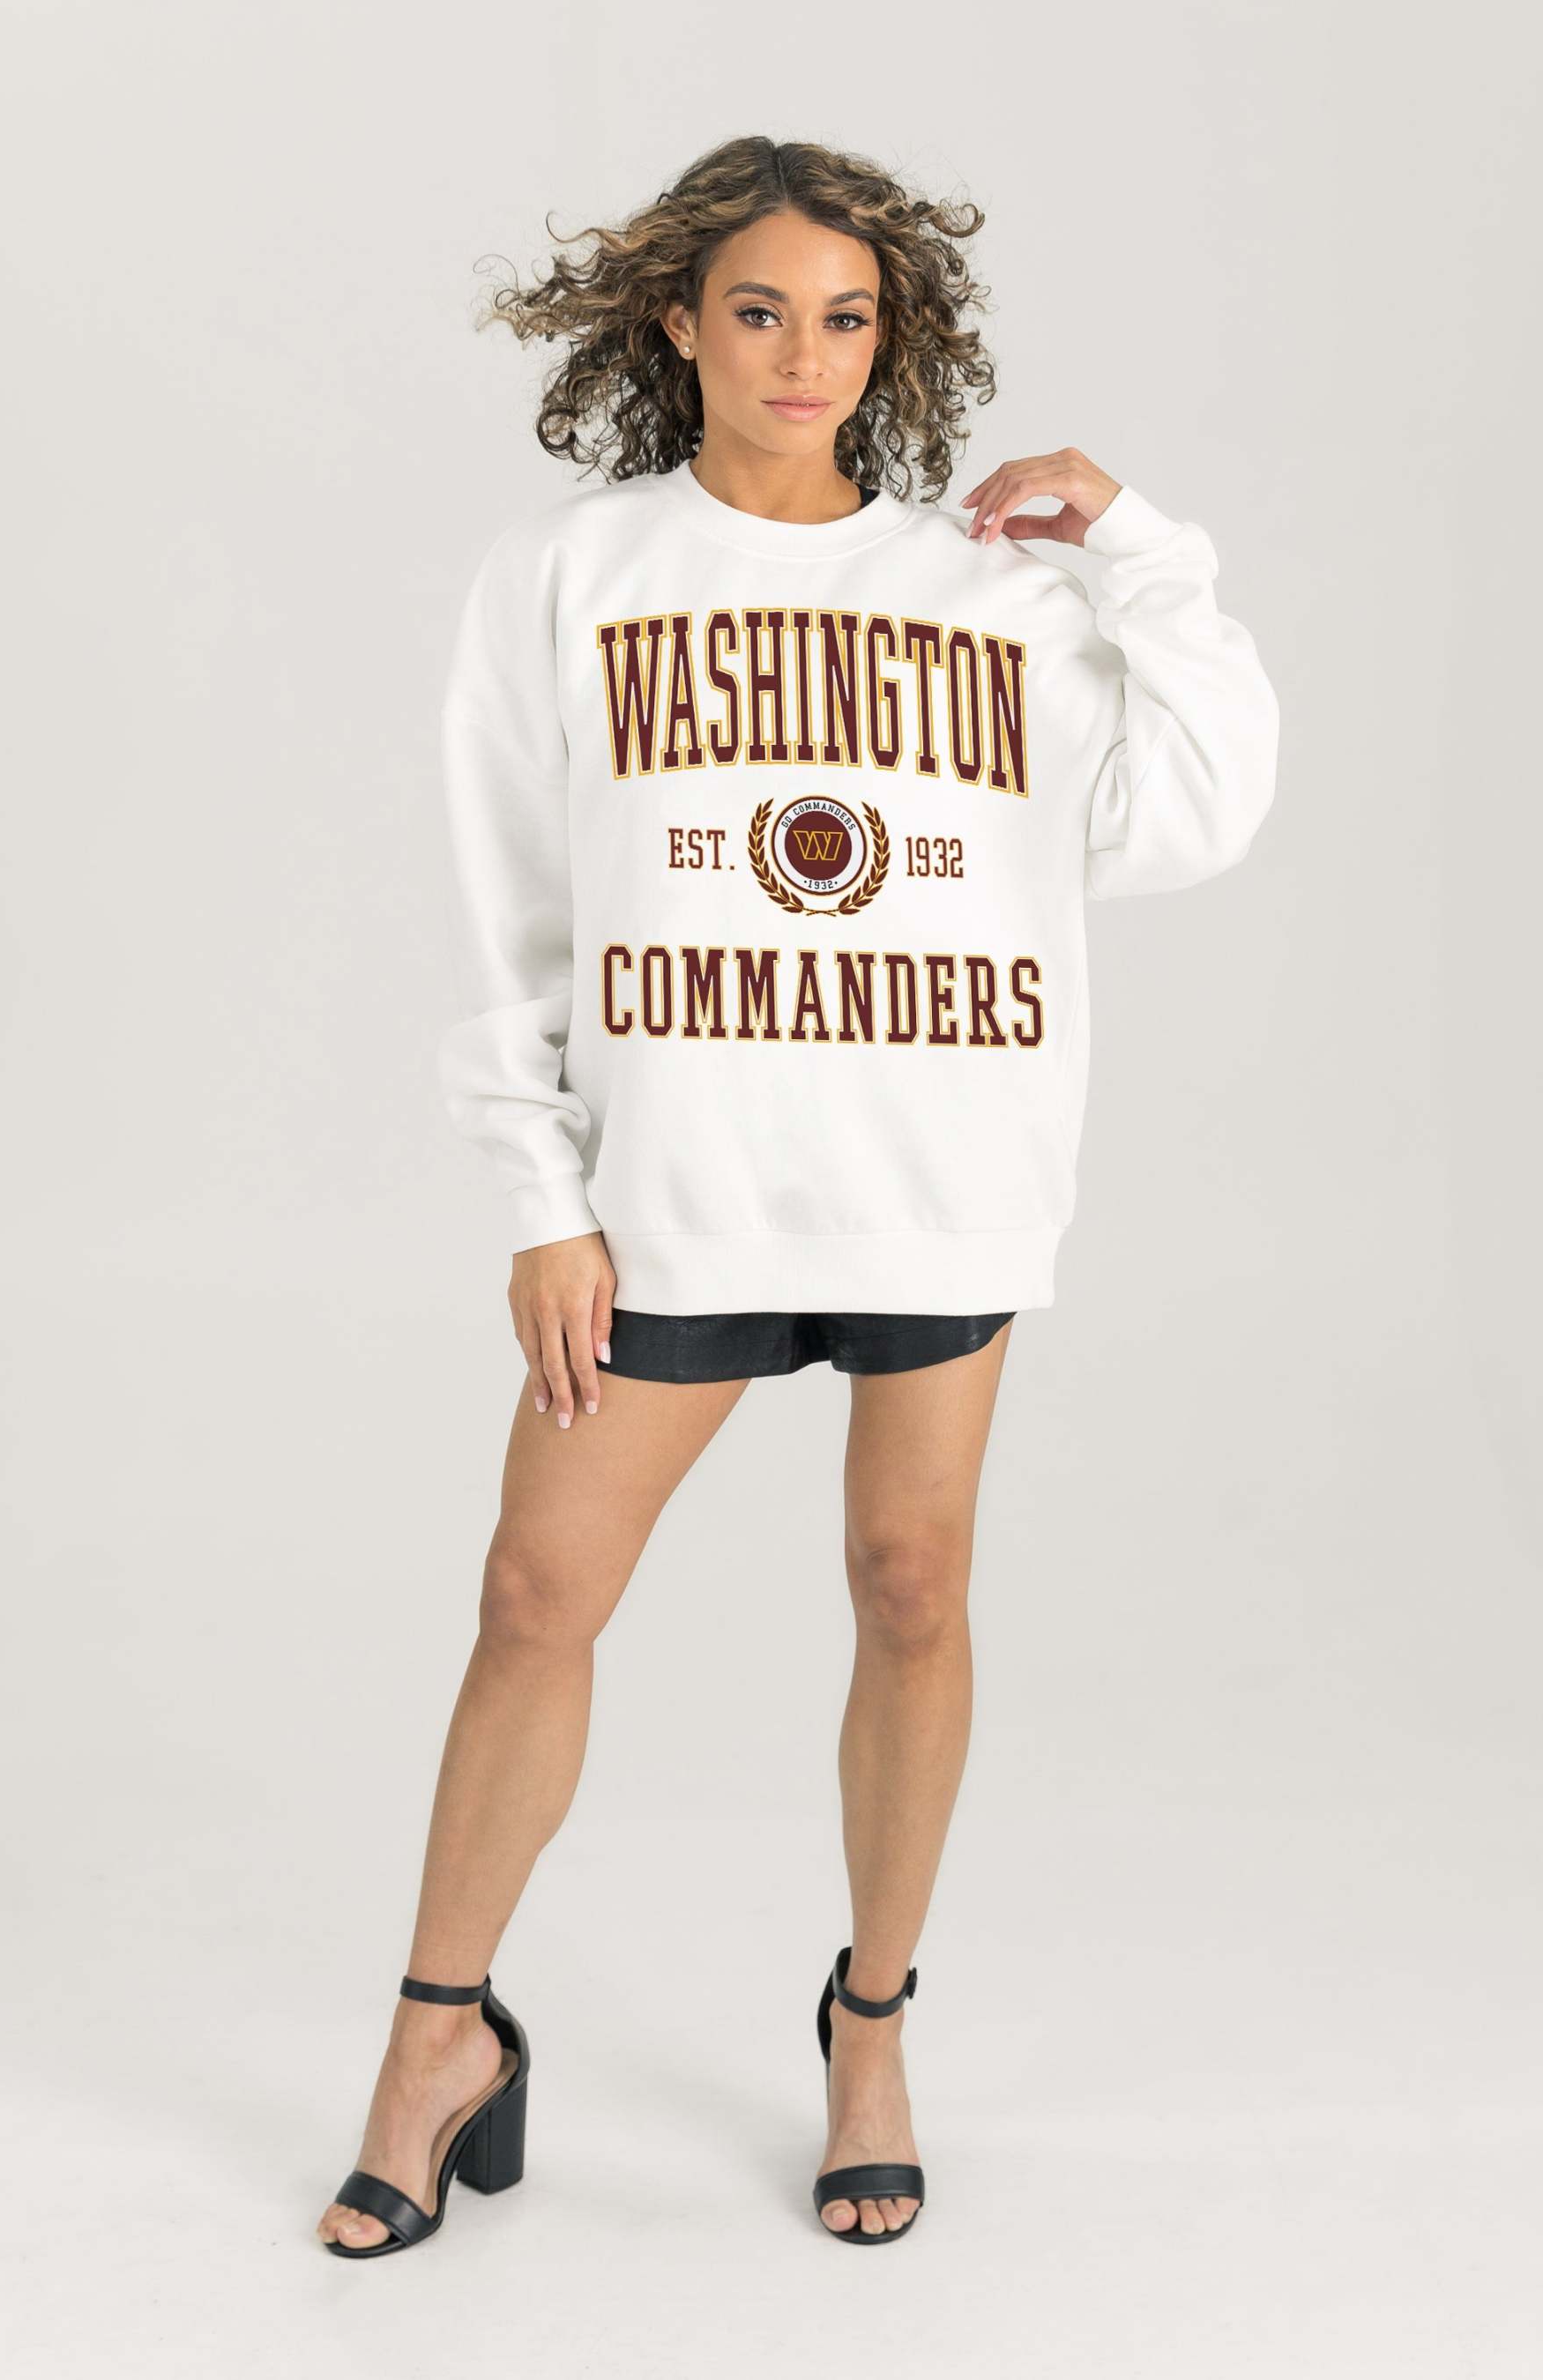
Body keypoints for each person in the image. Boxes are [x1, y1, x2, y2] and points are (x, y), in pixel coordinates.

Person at [317, 133, 1279, 2257]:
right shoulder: (575, 578)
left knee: (912, 1584)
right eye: (759, 310)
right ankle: (436, 2040)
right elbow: (507, 906)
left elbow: (1197, 810)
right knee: (534, 1599)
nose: (804, 356)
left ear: (890, 340)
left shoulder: (995, 594)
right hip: (675, 1189)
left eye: (847, 319)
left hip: (938, 1175)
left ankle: (871, 2028)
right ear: (677, 322)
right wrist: (540, 1193)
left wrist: (1138, 550)